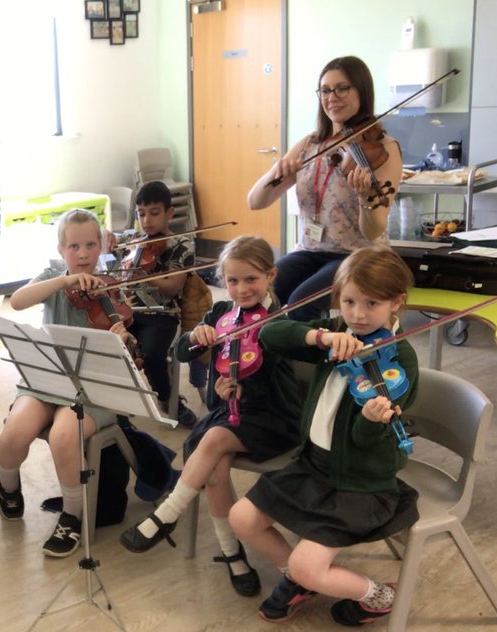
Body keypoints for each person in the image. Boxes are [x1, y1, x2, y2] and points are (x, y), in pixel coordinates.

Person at [229, 245, 419, 625]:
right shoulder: (337, 334)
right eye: (349, 302)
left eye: (371, 304)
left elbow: (367, 443)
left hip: (360, 483)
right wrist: (320, 339)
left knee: (308, 563)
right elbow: (270, 333)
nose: (358, 315)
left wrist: (369, 417)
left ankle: (378, 595)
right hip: (313, 467)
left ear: (396, 302)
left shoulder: (400, 361)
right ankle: (300, 579)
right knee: (242, 518)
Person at [119, 236, 303, 597]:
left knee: (214, 440)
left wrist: (241, 388)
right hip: (227, 412)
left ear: (271, 276)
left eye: (251, 279)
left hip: (272, 417)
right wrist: (196, 336)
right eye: (232, 281)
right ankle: (233, 556)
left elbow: (276, 381)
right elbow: (183, 352)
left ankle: (165, 516)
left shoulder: (280, 321)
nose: (241, 288)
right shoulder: (222, 315)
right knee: (216, 469)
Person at [0, 209, 132, 558]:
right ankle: (8, 488)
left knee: (63, 435)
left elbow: (125, 348)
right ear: (61, 250)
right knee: (14, 432)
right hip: (46, 380)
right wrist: (64, 281)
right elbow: (18, 300)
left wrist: (121, 337)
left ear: (101, 246)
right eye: (74, 246)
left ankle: (72, 515)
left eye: (90, 244)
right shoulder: (53, 278)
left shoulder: (111, 288)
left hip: (92, 389)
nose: (83, 254)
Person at [247, 56, 403, 322]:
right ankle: (259, 359)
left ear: (361, 91)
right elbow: (255, 201)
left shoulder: (382, 148)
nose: (332, 97)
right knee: (260, 291)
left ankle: (310, 360)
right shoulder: (311, 143)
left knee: (299, 304)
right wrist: (278, 171)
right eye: (325, 90)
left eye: (342, 88)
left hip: (358, 255)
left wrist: (366, 199)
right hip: (310, 250)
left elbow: (373, 230)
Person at [120, 181, 199, 427]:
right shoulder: (134, 239)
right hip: (129, 311)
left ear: (169, 213)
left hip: (162, 314)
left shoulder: (183, 245)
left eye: (154, 213)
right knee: (108, 346)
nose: (147, 221)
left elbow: (173, 286)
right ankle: (116, 404)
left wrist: (145, 276)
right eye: (141, 214)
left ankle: (167, 399)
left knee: (153, 354)